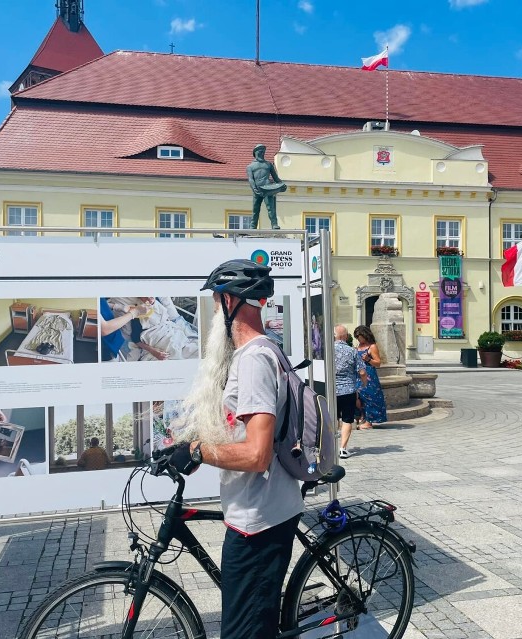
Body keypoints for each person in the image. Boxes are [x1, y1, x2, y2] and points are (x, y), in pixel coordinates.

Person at [168, 259, 303, 639]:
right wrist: (191, 447)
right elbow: (238, 435)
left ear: (230, 302)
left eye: (215, 303)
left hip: (259, 524)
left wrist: (198, 451)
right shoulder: (254, 354)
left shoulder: (255, 359)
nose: (214, 313)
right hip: (254, 514)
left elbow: (257, 454)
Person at [333, 324, 367, 459]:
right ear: (346, 337)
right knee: (347, 419)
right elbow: (362, 372)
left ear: (334, 336)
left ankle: (330, 447)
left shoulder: (327, 350)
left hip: (331, 390)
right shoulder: (352, 351)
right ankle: (342, 449)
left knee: (331, 419)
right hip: (348, 390)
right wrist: (363, 384)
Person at [353, 325, 388, 429]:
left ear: (365, 335)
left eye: (360, 337)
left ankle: (369, 421)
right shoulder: (357, 347)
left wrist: (368, 359)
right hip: (358, 375)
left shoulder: (372, 347)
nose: (358, 339)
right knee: (359, 397)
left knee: (370, 397)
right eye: (357, 337)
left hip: (369, 376)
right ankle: (362, 418)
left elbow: (378, 363)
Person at [246, 144, 287, 230]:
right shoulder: (250, 166)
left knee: (271, 208)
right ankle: (253, 226)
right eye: (259, 152)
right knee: (255, 209)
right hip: (257, 189)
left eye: (263, 152)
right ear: (255, 153)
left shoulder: (268, 165)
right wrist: (254, 188)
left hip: (267, 188)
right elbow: (251, 179)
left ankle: (274, 224)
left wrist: (282, 185)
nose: (261, 153)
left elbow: (276, 178)